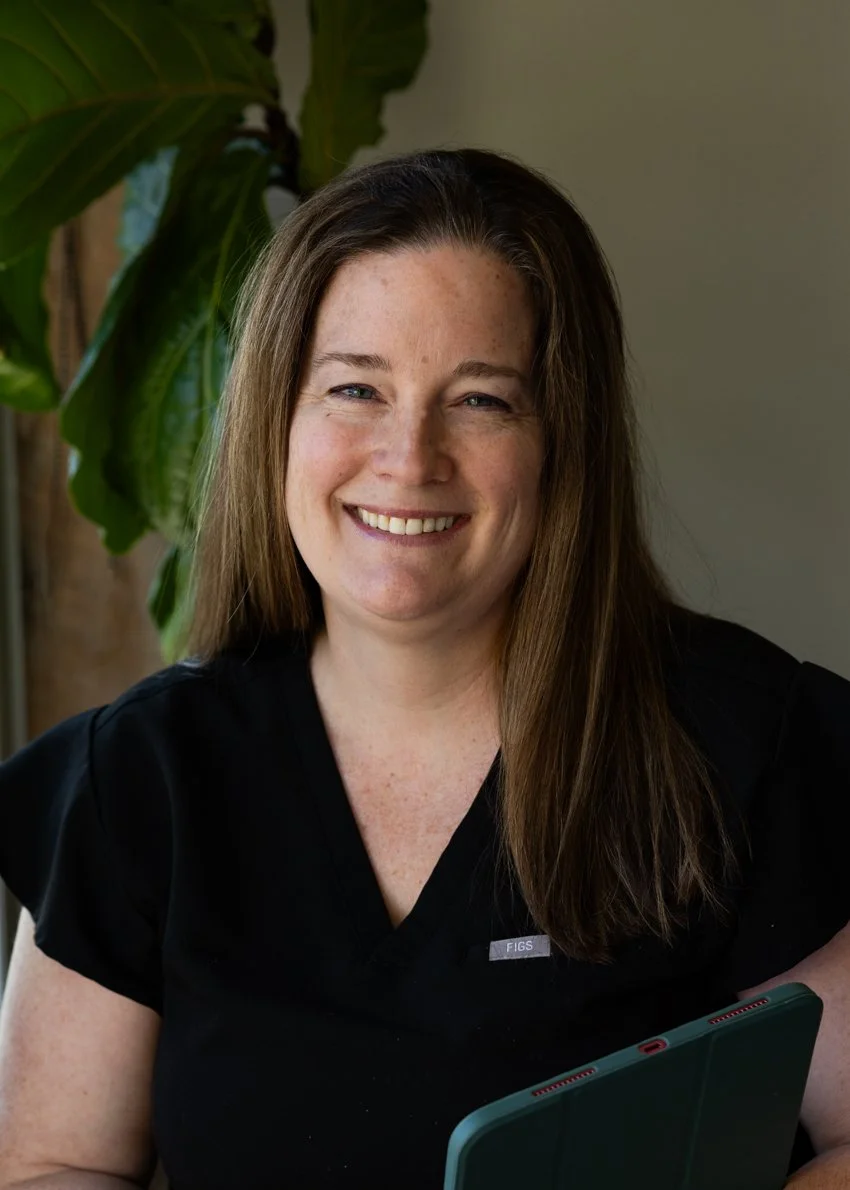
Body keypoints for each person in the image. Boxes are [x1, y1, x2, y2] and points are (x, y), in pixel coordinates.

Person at [0, 148, 848, 1190]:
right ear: (277, 420)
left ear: (561, 440)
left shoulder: (742, 742)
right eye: (356, 387)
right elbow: (51, 1163)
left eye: (481, 400)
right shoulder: (138, 778)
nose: (409, 458)